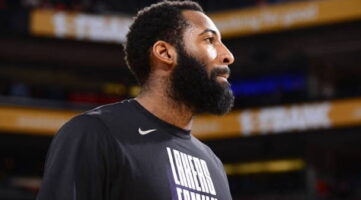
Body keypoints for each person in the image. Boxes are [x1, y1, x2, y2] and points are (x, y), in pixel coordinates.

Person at [37, 1, 235, 199]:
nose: (228, 55)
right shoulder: (95, 133)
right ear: (165, 53)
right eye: (209, 40)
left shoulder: (213, 164)